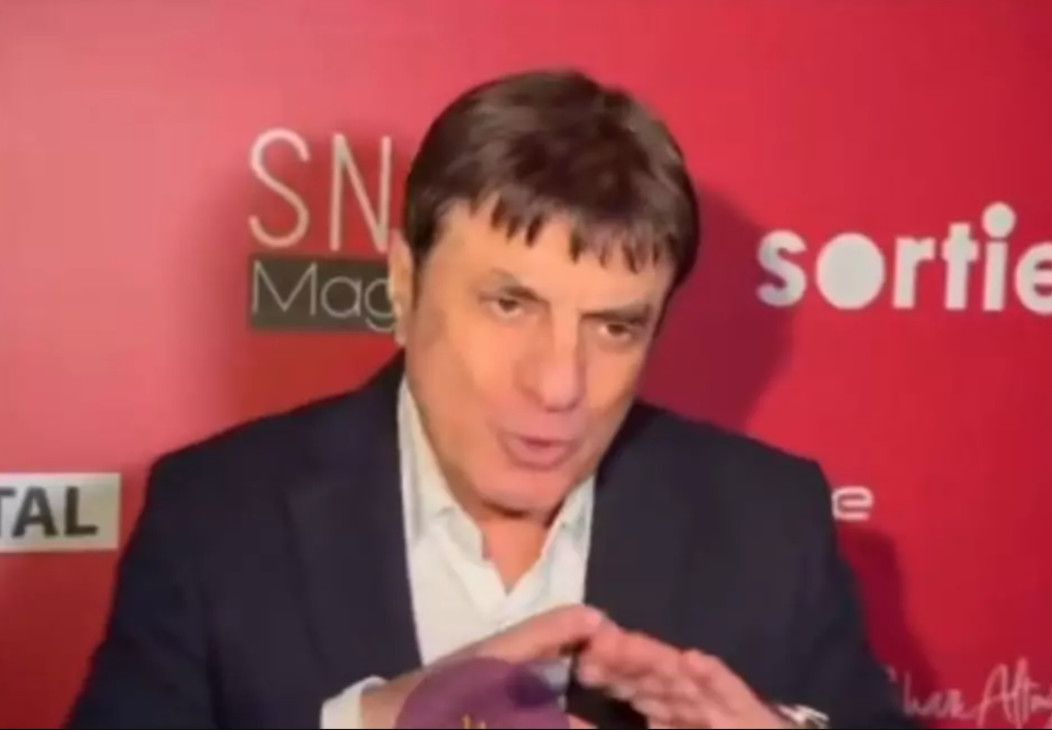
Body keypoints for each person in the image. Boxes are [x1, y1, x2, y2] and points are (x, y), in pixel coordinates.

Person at [69, 69, 911, 730]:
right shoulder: (213, 518)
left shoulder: (770, 520)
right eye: (510, 305)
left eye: (614, 327)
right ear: (404, 284)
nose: (559, 385)